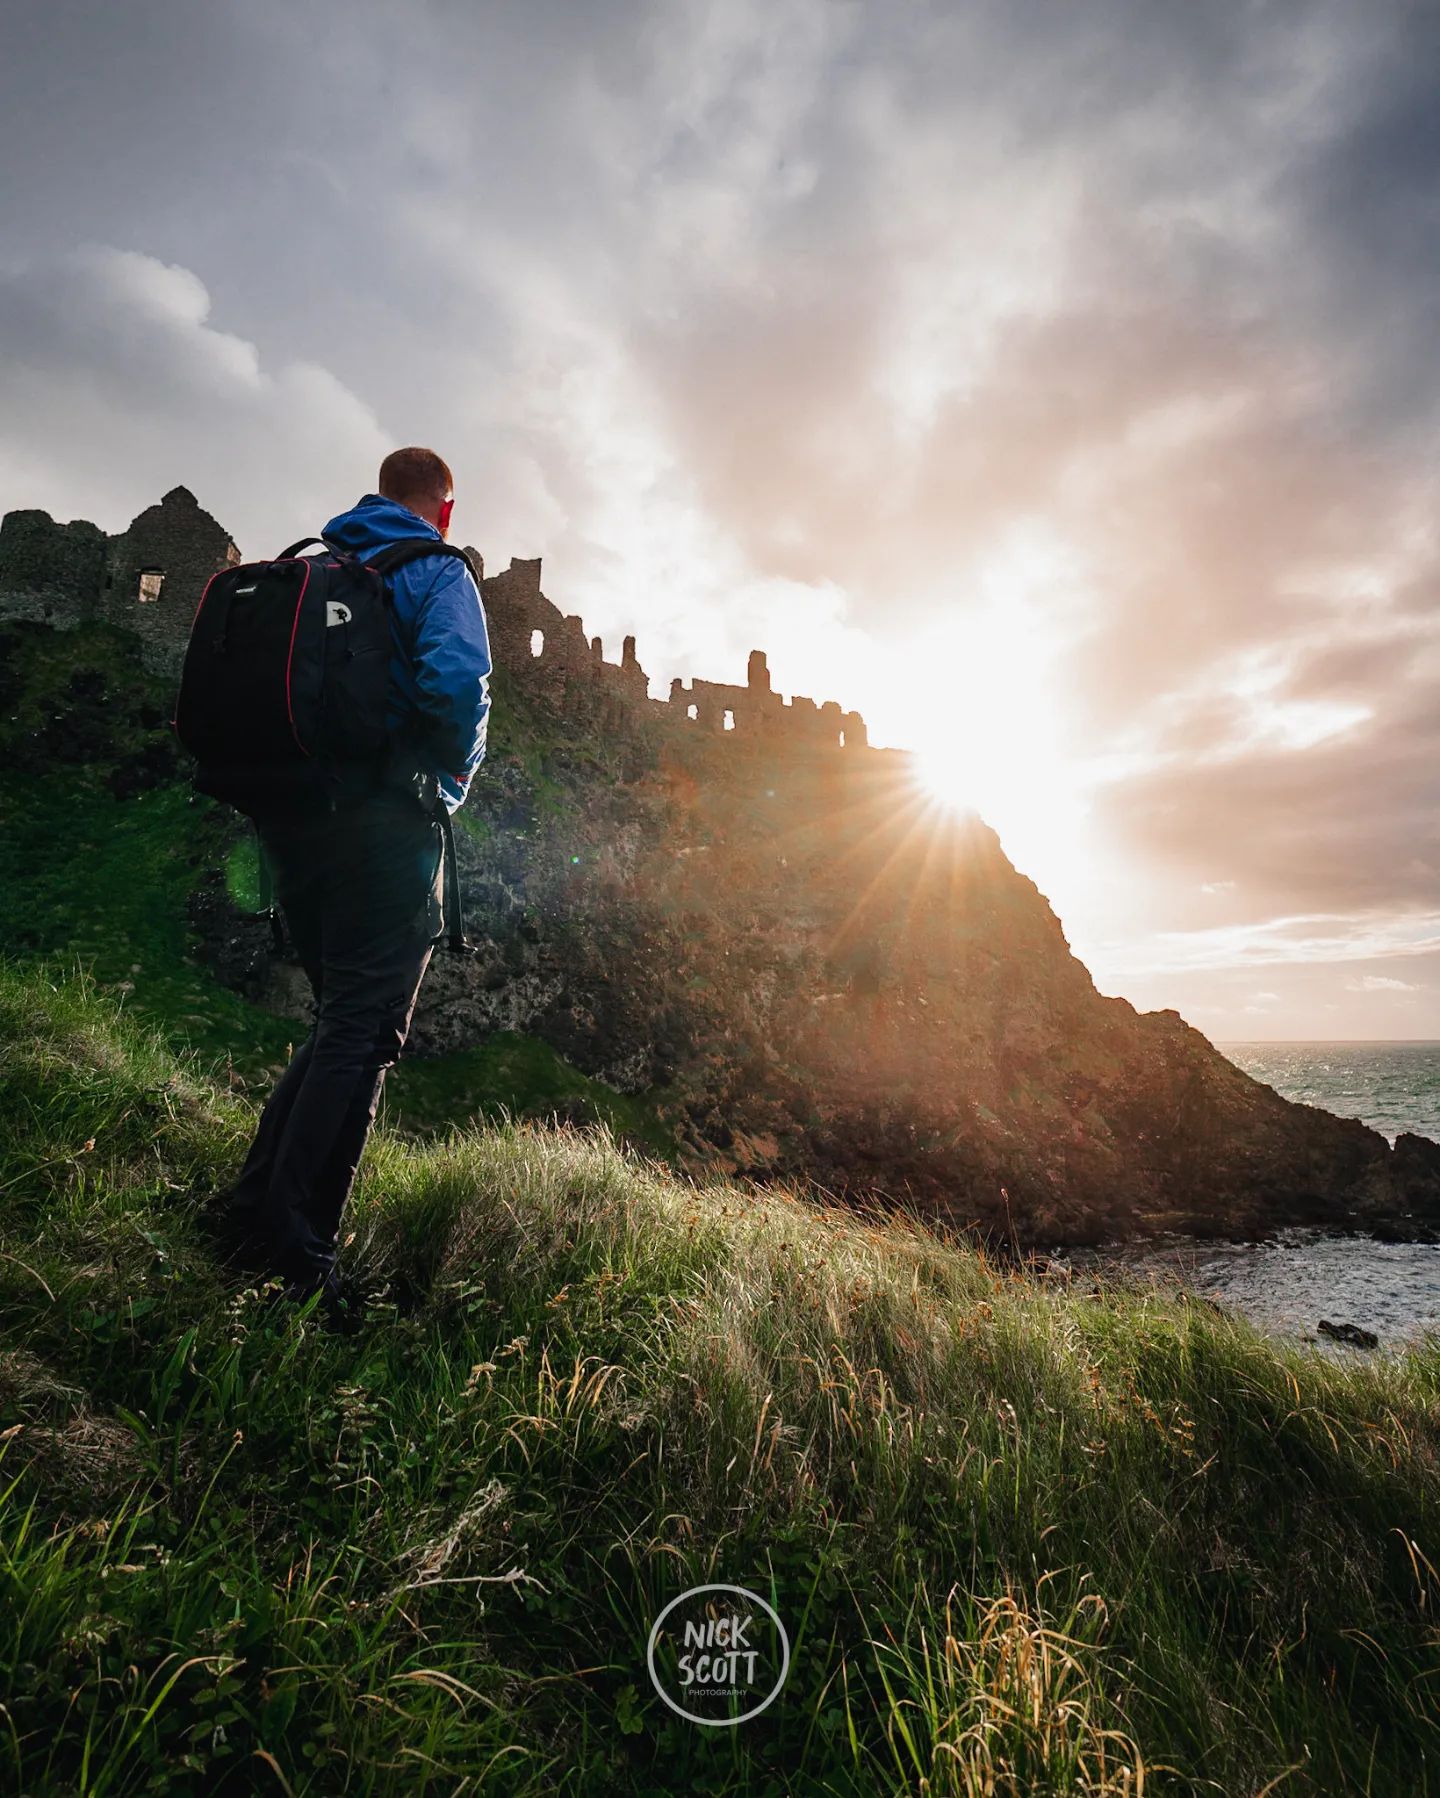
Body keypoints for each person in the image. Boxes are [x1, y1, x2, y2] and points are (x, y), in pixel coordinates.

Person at [214, 447, 491, 1311]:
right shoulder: (438, 572)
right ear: (443, 510)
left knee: (342, 1022)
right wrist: (447, 780)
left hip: (291, 823)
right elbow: (456, 685)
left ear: (379, 495)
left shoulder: (319, 561)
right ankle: (295, 1253)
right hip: (383, 827)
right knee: (365, 1035)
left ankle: (249, 1213)